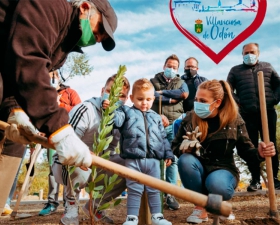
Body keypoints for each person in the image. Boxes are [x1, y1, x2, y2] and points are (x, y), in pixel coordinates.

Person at [0, 0, 117, 217]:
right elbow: (28, 58)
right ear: (84, 7)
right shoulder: (49, 6)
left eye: (102, 39)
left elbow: (13, 70)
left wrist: (15, 109)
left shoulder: (61, 47)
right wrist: (59, 128)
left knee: (16, 136)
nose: (98, 38)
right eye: (99, 29)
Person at [171, 80, 276, 224]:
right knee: (185, 160)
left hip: (223, 169)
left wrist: (259, 154)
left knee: (217, 184)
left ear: (217, 102)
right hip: (197, 168)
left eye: (203, 100)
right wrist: (183, 149)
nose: (197, 104)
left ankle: (219, 206)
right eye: (196, 99)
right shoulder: (190, 118)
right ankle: (200, 207)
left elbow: (246, 151)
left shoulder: (234, 120)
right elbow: (175, 146)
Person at [52, 74, 130, 225]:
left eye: (121, 95)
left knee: (129, 165)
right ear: (102, 91)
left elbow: (111, 150)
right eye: (110, 91)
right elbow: (67, 145)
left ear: (126, 99)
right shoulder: (85, 110)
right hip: (71, 162)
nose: (114, 97)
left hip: (98, 164)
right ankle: (71, 204)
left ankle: (95, 207)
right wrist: (85, 154)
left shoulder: (120, 119)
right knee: (77, 160)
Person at [112, 78, 173, 225]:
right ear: (132, 98)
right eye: (140, 99)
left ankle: (157, 216)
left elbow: (163, 138)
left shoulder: (156, 117)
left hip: (153, 160)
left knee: (154, 189)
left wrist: (168, 154)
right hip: (133, 159)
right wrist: (112, 109)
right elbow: (116, 122)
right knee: (134, 189)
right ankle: (132, 218)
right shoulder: (125, 111)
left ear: (153, 99)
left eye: (148, 99)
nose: (144, 103)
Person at [227, 42, 280, 191]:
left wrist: (274, 99)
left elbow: (279, 84)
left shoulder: (268, 67)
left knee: (270, 144)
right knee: (250, 146)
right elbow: (228, 89)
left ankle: (274, 179)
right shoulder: (235, 71)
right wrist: (239, 103)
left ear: (258, 54)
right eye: (246, 53)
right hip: (246, 115)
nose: (249, 55)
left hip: (267, 112)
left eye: (252, 52)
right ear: (242, 55)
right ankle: (255, 180)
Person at [39, 70, 82, 216]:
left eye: (52, 76)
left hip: (68, 136)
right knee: (53, 168)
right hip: (51, 137)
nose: (50, 79)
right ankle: (51, 202)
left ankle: (68, 203)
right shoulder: (43, 94)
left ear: (57, 78)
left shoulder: (70, 93)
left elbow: (79, 111)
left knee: (68, 167)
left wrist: (61, 105)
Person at [150, 54, 188, 210]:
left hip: (174, 124)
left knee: (172, 159)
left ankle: (170, 193)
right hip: (156, 122)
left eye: (174, 67)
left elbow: (183, 95)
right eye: (169, 66)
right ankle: (156, 191)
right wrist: (172, 98)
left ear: (177, 69)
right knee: (156, 157)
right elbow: (151, 95)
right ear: (163, 66)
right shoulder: (152, 81)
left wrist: (162, 94)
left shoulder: (181, 82)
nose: (171, 69)